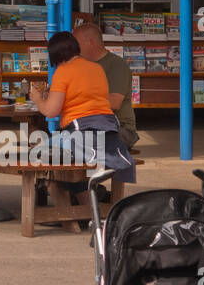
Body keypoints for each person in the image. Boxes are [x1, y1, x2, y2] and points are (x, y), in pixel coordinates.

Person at [40, 31, 135, 187]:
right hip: (110, 132)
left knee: (41, 150)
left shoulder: (62, 71)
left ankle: (63, 190)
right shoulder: (97, 68)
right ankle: (83, 194)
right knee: (62, 158)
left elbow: (51, 111)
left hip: (83, 133)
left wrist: (37, 99)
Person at [74, 21, 139, 151]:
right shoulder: (80, 65)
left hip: (120, 128)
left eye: (76, 43)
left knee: (71, 144)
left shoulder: (117, 65)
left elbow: (114, 103)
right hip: (89, 125)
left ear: (91, 43)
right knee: (52, 140)